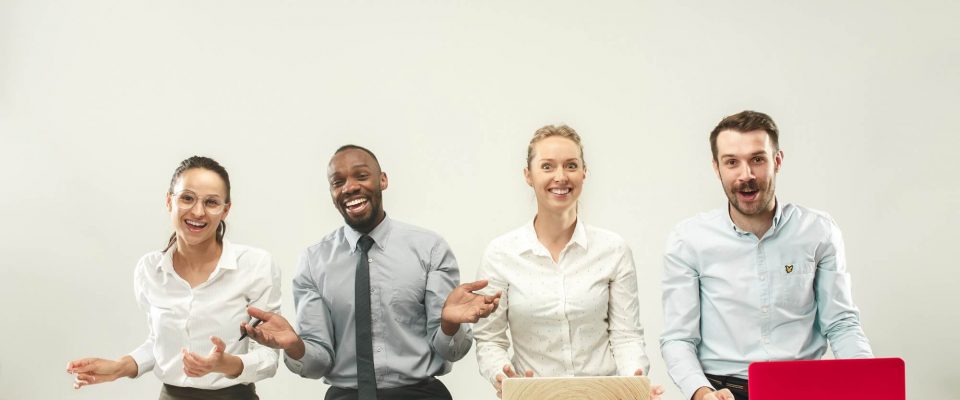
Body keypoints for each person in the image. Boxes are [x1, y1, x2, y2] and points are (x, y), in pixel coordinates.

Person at [242, 144, 500, 400]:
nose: (350, 187)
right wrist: (296, 347)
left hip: (420, 395)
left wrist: (449, 324)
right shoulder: (313, 261)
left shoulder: (429, 249)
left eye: (361, 176)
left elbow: (450, 351)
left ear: (383, 180)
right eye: (337, 182)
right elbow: (316, 364)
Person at [660, 110, 874, 400]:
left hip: (806, 389)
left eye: (757, 159)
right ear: (716, 168)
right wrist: (701, 392)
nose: (746, 175)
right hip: (724, 393)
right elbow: (678, 338)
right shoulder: (688, 240)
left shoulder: (818, 231)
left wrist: (869, 383)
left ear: (777, 161)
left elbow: (840, 324)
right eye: (732, 162)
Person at [66, 156, 281, 400]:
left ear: (225, 210)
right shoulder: (150, 269)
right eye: (187, 198)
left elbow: (269, 357)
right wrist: (120, 367)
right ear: (169, 201)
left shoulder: (255, 265)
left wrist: (224, 363)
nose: (198, 212)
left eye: (211, 202)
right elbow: (160, 343)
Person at [473, 125, 664, 399]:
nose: (560, 177)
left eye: (571, 165)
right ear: (528, 175)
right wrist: (504, 376)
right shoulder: (501, 254)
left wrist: (634, 381)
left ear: (584, 172)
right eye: (547, 167)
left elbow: (626, 335)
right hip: (532, 396)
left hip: (604, 394)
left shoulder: (613, 250)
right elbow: (490, 338)